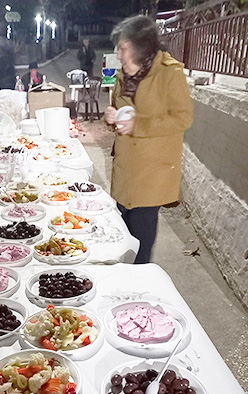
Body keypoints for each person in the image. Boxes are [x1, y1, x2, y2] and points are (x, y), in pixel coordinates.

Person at [105, 16, 193, 263]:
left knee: (141, 243)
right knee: (121, 240)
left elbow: (183, 118)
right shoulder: (123, 75)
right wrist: (110, 117)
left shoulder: (170, 72)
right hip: (125, 170)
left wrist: (140, 124)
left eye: (123, 48)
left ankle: (138, 283)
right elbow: (117, 108)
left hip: (150, 173)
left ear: (141, 47)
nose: (119, 56)